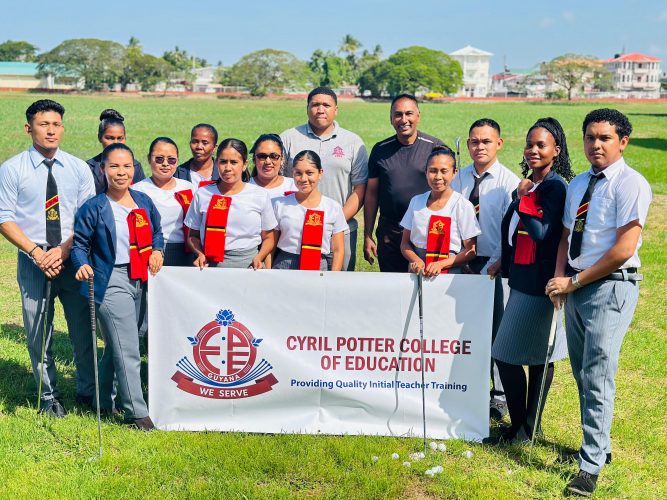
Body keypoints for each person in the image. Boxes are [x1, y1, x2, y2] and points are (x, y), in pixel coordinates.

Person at [545, 109, 652, 497]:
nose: (595, 145)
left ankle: (589, 466)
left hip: (610, 286)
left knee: (597, 374)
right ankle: (599, 446)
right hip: (575, 285)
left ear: (623, 141)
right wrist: (561, 279)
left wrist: (573, 281)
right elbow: (564, 236)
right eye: (590, 137)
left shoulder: (631, 184)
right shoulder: (578, 185)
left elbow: (623, 249)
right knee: (581, 372)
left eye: (604, 138)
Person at [0, 99, 96, 417]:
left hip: (72, 256)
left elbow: (87, 217)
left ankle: (89, 391)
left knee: (83, 330)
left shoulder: (78, 168)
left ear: (63, 128)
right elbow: (4, 218)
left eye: (56, 124)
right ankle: (48, 395)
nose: (51, 130)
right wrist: (37, 253)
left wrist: (64, 250)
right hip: (33, 258)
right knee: (38, 331)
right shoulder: (12, 169)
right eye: (43, 124)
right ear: (29, 128)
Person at [488, 117, 574, 444]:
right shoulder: (533, 185)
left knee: (520, 355)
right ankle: (524, 427)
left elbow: (541, 233)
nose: (533, 150)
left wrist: (522, 198)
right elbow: (512, 232)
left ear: (557, 150)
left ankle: (526, 427)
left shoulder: (554, 186)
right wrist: (503, 263)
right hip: (521, 279)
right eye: (530, 144)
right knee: (531, 355)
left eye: (541, 145)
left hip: (540, 284)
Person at [71, 143, 164, 431]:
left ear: (134, 168)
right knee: (129, 348)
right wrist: (80, 264)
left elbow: (157, 231)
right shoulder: (94, 207)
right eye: (114, 166)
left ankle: (99, 397)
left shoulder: (144, 201)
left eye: (126, 166)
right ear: (103, 169)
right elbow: (79, 245)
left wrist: (158, 250)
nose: (120, 172)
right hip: (110, 279)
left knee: (120, 343)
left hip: (141, 278)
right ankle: (136, 413)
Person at [455, 118, 521, 420]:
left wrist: (492, 264)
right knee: (462, 328)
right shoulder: (458, 179)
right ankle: (467, 385)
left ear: (499, 144)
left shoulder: (510, 183)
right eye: (473, 141)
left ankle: (499, 395)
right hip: (459, 263)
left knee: (496, 329)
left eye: (485, 141)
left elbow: (509, 231)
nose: (479, 147)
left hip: (495, 266)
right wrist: (460, 259)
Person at [281, 87, 368, 271]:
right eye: (315, 105)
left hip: (341, 230)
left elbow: (360, 188)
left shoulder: (352, 142)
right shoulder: (289, 138)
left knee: (338, 289)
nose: (320, 109)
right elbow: (278, 182)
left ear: (336, 109)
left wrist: (335, 221)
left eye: (326, 105)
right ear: (307, 108)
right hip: (296, 229)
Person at [364, 94, 445, 272]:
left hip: (425, 231)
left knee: (428, 285)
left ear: (418, 116)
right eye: (398, 114)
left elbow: (449, 190)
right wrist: (367, 234)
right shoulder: (380, 150)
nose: (404, 119)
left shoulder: (435, 147)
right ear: (391, 118)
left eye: (409, 113)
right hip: (390, 232)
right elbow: (371, 194)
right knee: (393, 289)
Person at [185, 138, 277, 269]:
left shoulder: (259, 195)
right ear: (216, 163)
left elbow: (269, 237)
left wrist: (259, 257)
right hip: (210, 266)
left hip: (248, 264)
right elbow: (192, 236)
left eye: (234, 162)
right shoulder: (203, 193)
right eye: (223, 162)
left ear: (244, 164)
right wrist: (199, 254)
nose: (228, 168)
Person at [400, 146, 480, 276]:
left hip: (449, 270)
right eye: (432, 171)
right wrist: (416, 260)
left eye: (444, 171)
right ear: (425, 172)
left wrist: (441, 264)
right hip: (418, 270)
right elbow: (405, 243)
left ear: (454, 172)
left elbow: (471, 250)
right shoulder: (416, 202)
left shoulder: (462, 205)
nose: (438, 177)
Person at [272, 150, 347, 271]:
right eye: (298, 173)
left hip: (318, 265)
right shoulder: (280, 204)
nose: (303, 178)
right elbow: (271, 244)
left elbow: (338, 250)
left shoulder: (333, 207)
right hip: (284, 264)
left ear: (320, 173)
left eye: (309, 173)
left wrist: (334, 277)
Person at [132, 137, 195, 266]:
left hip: (185, 251)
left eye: (171, 159)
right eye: (159, 159)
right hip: (149, 252)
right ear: (149, 159)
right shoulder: (137, 190)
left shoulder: (189, 187)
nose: (165, 164)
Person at [86, 109, 146, 194]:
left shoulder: (135, 166)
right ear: (99, 137)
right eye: (110, 138)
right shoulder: (88, 168)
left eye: (120, 138)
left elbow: (141, 196)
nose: (115, 143)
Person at [248, 134, 296, 198]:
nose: (268, 162)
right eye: (262, 156)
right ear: (254, 160)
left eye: (273, 156)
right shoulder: (244, 187)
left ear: (282, 160)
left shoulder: (294, 186)